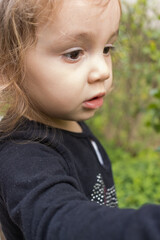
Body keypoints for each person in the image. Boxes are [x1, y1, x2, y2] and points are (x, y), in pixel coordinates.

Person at [0, 0, 160, 239]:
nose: (103, 71)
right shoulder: (22, 156)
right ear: (7, 68)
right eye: (74, 54)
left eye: (107, 48)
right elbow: (61, 222)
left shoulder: (70, 122)